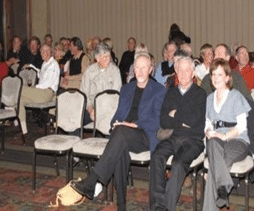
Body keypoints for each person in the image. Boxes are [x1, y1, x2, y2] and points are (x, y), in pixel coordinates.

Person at [70, 52, 166, 211]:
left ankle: (93, 180)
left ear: (151, 70)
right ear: (133, 70)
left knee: (121, 134)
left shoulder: (159, 90)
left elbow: (157, 121)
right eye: (137, 68)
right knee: (120, 146)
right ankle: (121, 206)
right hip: (124, 134)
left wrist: (133, 125)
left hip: (145, 135)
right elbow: (118, 114)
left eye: (144, 68)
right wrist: (115, 123)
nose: (140, 71)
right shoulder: (126, 88)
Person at [201, 43, 254, 182]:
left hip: (239, 114)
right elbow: (204, 105)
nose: (217, 56)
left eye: (221, 54)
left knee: (251, 112)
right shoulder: (206, 79)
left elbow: (247, 100)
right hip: (218, 122)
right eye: (216, 54)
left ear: (228, 58)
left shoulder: (235, 76)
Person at [150, 56, 206, 211]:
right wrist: (182, 119)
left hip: (193, 140)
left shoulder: (200, 94)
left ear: (193, 73)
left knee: (178, 163)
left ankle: (167, 208)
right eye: (179, 70)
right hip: (173, 137)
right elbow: (163, 121)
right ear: (175, 72)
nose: (183, 73)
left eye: (187, 70)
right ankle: (156, 206)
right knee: (156, 156)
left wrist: (175, 114)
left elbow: (195, 122)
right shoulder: (171, 93)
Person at [202, 59, 251, 211]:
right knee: (212, 143)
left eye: (220, 74)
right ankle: (223, 186)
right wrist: (209, 131)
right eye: (213, 74)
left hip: (238, 141)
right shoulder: (209, 99)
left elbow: (242, 126)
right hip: (216, 143)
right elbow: (208, 123)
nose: (216, 78)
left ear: (227, 78)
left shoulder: (236, 96)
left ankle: (219, 187)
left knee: (213, 168)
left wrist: (223, 136)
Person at [18, 45, 60, 135]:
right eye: (42, 51)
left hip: (47, 93)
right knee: (20, 100)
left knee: (21, 90)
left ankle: (7, 106)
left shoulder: (53, 65)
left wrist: (35, 87)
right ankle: (24, 130)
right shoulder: (45, 64)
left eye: (47, 50)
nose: (44, 53)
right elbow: (40, 74)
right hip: (41, 91)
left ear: (50, 52)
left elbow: (47, 83)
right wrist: (31, 66)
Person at [80, 42, 122, 124]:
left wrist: (100, 110)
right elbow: (84, 93)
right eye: (105, 57)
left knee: (109, 119)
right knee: (75, 117)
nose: (108, 59)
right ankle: (76, 137)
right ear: (97, 58)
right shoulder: (89, 71)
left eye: (109, 56)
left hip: (108, 108)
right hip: (91, 107)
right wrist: (90, 109)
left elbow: (115, 95)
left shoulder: (115, 71)